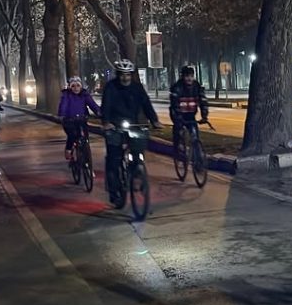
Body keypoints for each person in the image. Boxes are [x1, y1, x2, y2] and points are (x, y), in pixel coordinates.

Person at [100, 59, 162, 203]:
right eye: (122, 74)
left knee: (138, 150)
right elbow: (106, 105)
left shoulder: (137, 88)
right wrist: (106, 122)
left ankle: (136, 172)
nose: (125, 77)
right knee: (114, 159)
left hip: (133, 124)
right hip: (115, 126)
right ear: (118, 75)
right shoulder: (111, 87)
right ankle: (114, 190)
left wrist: (154, 120)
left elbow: (146, 104)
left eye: (128, 74)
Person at [58, 76, 101, 161]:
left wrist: (99, 112)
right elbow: (64, 105)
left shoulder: (84, 94)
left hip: (82, 119)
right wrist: (62, 114)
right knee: (72, 135)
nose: (76, 88)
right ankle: (68, 149)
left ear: (81, 86)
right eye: (73, 86)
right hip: (69, 120)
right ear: (70, 87)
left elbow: (92, 104)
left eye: (78, 85)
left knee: (85, 135)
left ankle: (86, 156)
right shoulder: (66, 95)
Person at [169, 65, 209, 145]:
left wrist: (204, 116)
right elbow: (174, 104)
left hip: (191, 116)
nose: (189, 78)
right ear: (183, 77)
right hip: (179, 115)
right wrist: (178, 117)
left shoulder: (197, 86)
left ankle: (196, 149)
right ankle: (178, 148)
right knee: (179, 134)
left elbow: (203, 101)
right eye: (187, 76)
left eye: (191, 76)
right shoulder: (177, 87)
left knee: (195, 136)